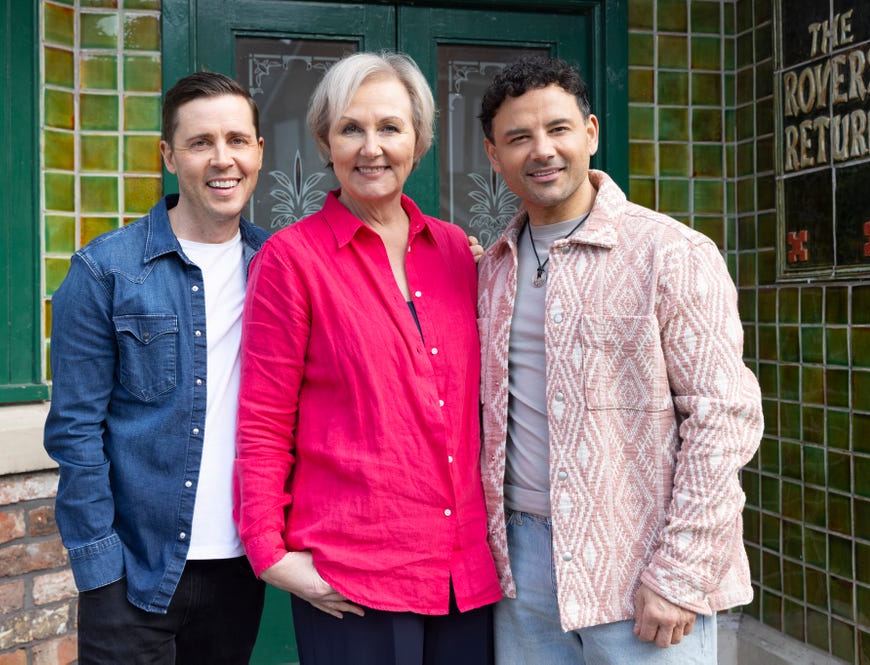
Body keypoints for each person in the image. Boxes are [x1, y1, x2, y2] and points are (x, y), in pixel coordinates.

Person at [476, 54, 764, 664]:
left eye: (557, 129)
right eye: (518, 137)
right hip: (519, 567)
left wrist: (680, 572)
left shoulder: (669, 252)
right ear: (493, 155)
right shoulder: (490, 268)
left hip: (641, 562)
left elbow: (723, 418)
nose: (542, 151)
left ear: (591, 133)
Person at [235, 51, 501, 665]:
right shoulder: (291, 259)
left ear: (418, 140)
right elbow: (263, 418)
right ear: (325, 141)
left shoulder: (459, 252)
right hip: (354, 574)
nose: (371, 147)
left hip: (465, 571)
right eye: (352, 128)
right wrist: (268, 552)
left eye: (390, 127)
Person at [44, 72, 268, 664]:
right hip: (135, 575)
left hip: (242, 570)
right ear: (169, 156)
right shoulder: (105, 272)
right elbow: (74, 431)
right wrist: (100, 569)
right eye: (200, 144)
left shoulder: (279, 267)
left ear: (259, 151)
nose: (223, 160)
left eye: (237, 141)